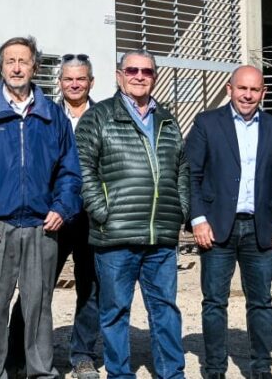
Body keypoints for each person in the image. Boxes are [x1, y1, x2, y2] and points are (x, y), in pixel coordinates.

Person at [0, 36, 83, 379]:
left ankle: (40, 371)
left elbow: (70, 171)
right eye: (10, 61)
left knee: (38, 305)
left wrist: (62, 207)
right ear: (1, 67)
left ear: (35, 66)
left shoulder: (53, 115)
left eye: (23, 61)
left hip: (43, 226)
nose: (17, 67)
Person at [74, 49, 190, 379]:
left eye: (147, 71)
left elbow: (182, 165)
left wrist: (179, 208)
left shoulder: (167, 119)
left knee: (165, 310)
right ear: (119, 75)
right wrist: (102, 212)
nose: (140, 76)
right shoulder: (98, 118)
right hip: (116, 236)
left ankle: (172, 374)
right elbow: (83, 169)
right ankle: (120, 374)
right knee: (114, 312)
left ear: (154, 76)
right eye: (132, 70)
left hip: (160, 236)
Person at [185, 65, 272, 379]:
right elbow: (191, 174)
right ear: (230, 88)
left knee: (261, 302)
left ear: (263, 92)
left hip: (260, 229)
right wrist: (198, 218)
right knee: (214, 302)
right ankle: (215, 369)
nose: (247, 95)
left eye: (254, 89)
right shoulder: (207, 123)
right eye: (242, 88)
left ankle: (261, 369)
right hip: (217, 228)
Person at [7, 52, 103, 379]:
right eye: (68, 79)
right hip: (51, 217)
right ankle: (17, 351)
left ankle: (83, 355)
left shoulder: (104, 116)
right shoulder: (42, 113)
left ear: (91, 82)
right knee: (36, 286)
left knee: (90, 288)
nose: (74, 84)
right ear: (59, 82)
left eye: (81, 79)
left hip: (91, 218)